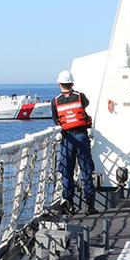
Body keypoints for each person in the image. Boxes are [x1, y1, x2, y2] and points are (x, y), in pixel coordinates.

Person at [52, 70, 96, 213]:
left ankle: (69, 203)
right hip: (82, 137)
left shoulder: (56, 101)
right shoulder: (80, 96)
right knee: (86, 169)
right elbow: (86, 104)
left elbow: (56, 119)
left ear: (59, 84)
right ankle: (89, 205)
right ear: (72, 83)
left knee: (67, 171)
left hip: (68, 139)